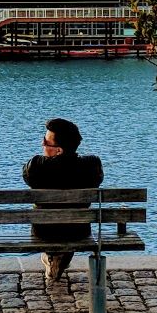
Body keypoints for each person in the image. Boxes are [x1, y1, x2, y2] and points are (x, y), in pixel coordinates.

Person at [21, 117, 104, 283]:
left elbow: (27, 174)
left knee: (52, 224)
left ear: (59, 151)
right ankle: (58, 258)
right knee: (70, 224)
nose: (42, 144)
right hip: (78, 231)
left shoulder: (36, 167)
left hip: (43, 233)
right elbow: (97, 176)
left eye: (45, 141)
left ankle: (52, 258)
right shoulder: (92, 166)